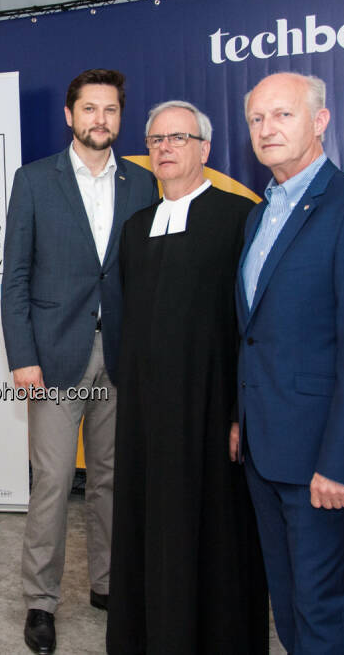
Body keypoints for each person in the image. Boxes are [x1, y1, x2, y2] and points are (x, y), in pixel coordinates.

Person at [238, 72, 344, 653]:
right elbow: (255, 336)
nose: (267, 129)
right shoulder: (262, 214)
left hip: (318, 462)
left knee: (322, 614)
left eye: (282, 115)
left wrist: (339, 463)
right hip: (264, 452)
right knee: (287, 608)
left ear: (320, 120)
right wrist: (241, 421)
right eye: (257, 119)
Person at [1, 68, 158, 655]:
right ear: (70, 116)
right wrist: (23, 357)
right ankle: (40, 602)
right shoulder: (36, 181)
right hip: (54, 357)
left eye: (111, 110)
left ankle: (108, 583)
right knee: (52, 483)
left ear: (121, 118)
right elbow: (14, 278)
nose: (100, 120)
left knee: (113, 481)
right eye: (90, 109)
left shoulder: (142, 185)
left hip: (121, 355)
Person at [106, 101, 268, 654]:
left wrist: (237, 413)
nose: (165, 148)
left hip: (209, 411)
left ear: (206, 147)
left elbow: (252, 326)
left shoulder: (240, 217)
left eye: (179, 137)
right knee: (147, 525)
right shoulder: (134, 229)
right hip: (146, 417)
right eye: (155, 140)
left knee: (214, 532)